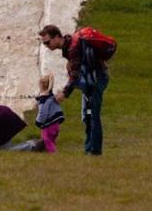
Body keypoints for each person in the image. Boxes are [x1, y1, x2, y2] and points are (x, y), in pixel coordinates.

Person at [38, 24, 113, 155]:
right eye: (44, 44)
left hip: (95, 82)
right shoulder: (69, 44)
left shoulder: (72, 48)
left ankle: (94, 151)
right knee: (88, 115)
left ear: (56, 37)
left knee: (93, 116)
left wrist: (65, 93)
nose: (46, 46)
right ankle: (90, 149)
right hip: (92, 81)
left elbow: (75, 75)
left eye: (48, 42)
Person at [34, 74, 64, 153]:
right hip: (56, 125)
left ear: (41, 86)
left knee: (46, 141)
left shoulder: (44, 100)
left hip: (48, 126)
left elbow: (43, 113)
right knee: (51, 141)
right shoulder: (52, 97)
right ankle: (48, 152)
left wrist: (38, 122)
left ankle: (54, 154)